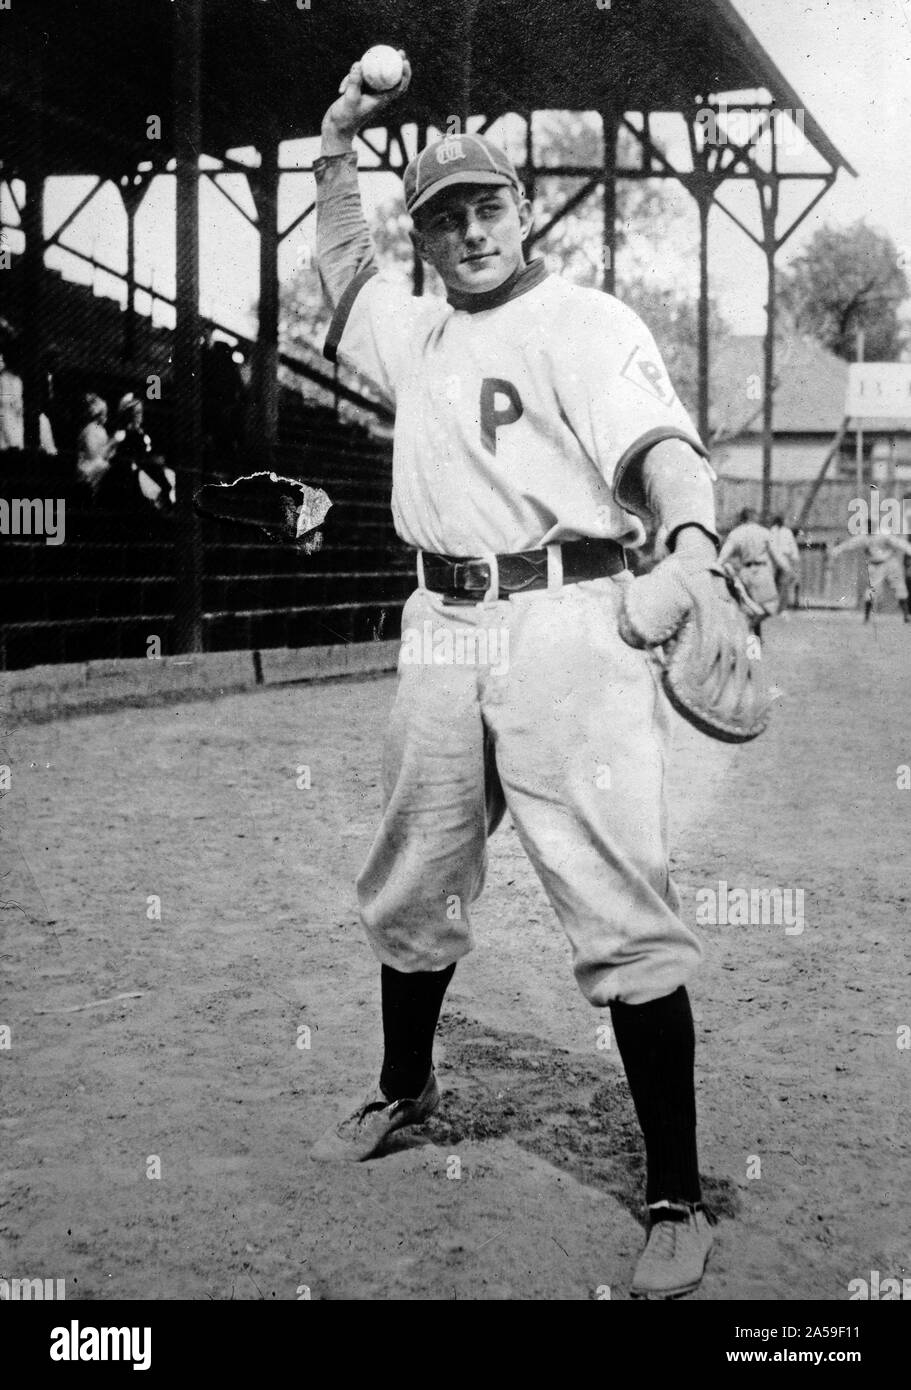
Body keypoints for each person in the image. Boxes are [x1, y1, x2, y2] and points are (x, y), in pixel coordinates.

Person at [309, 56, 740, 1300]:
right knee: (412, 872)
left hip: (566, 619)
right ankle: (407, 1088)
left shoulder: (587, 320)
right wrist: (336, 141)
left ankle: (671, 1188)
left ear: (518, 208)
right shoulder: (418, 325)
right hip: (439, 617)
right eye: (443, 215)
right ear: (428, 237)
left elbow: (664, 451)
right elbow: (345, 266)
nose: (468, 228)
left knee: (616, 904)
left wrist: (695, 551)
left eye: (484, 205)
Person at [105, 392, 176, 511]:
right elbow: (111, 453)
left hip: (147, 466)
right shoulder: (122, 434)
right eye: (136, 413)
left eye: (140, 412)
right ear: (129, 415)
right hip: (136, 470)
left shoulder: (141, 432)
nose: (139, 416)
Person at [831, 523, 911, 622]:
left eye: (871, 527)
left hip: (890, 562)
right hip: (875, 565)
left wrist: (909, 550)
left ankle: (906, 615)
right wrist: (837, 549)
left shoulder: (883, 534)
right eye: (868, 527)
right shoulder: (864, 537)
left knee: (900, 588)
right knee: (872, 591)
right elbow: (850, 544)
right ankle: (866, 617)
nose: (869, 529)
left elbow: (899, 543)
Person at [718, 508, 781, 624]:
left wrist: (720, 566)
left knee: (748, 607)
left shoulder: (736, 533)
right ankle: (751, 626)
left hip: (745, 572)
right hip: (762, 571)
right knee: (770, 606)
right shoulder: (764, 532)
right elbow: (777, 556)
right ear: (754, 517)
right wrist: (784, 569)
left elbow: (723, 556)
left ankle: (753, 632)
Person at [75, 394, 115, 495]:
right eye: (103, 414)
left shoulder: (102, 430)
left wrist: (111, 450)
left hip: (99, 465)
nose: (105, 417)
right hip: (88, 467)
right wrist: (111, 443)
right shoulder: (90, 429)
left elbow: (105, 453)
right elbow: (92, 453)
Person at [769, 514, 800, 610]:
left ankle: (779, 605)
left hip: (778, 557)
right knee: (781, 582)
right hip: (780, 558)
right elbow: (793, 547)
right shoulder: (777, 531)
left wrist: (794, 558)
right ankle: (779, 605)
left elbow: (792, 546)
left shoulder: (783, 531)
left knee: (780, 582)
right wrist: (795, 558)